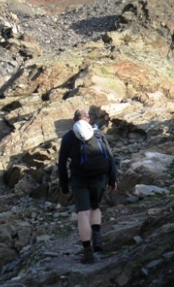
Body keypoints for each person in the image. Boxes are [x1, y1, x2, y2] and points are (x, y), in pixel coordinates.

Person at [58, 108, 118, 264]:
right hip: (99, 177)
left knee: (83, 213)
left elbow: (62, 164)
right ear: (88, 120)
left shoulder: (68, 137)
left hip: (79, 180)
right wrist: (113, 179)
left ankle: (88, 252)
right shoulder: (98, 134)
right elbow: (110, 157)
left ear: (74, 121)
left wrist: (64, 186)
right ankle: (97, 240)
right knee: (95, 207)